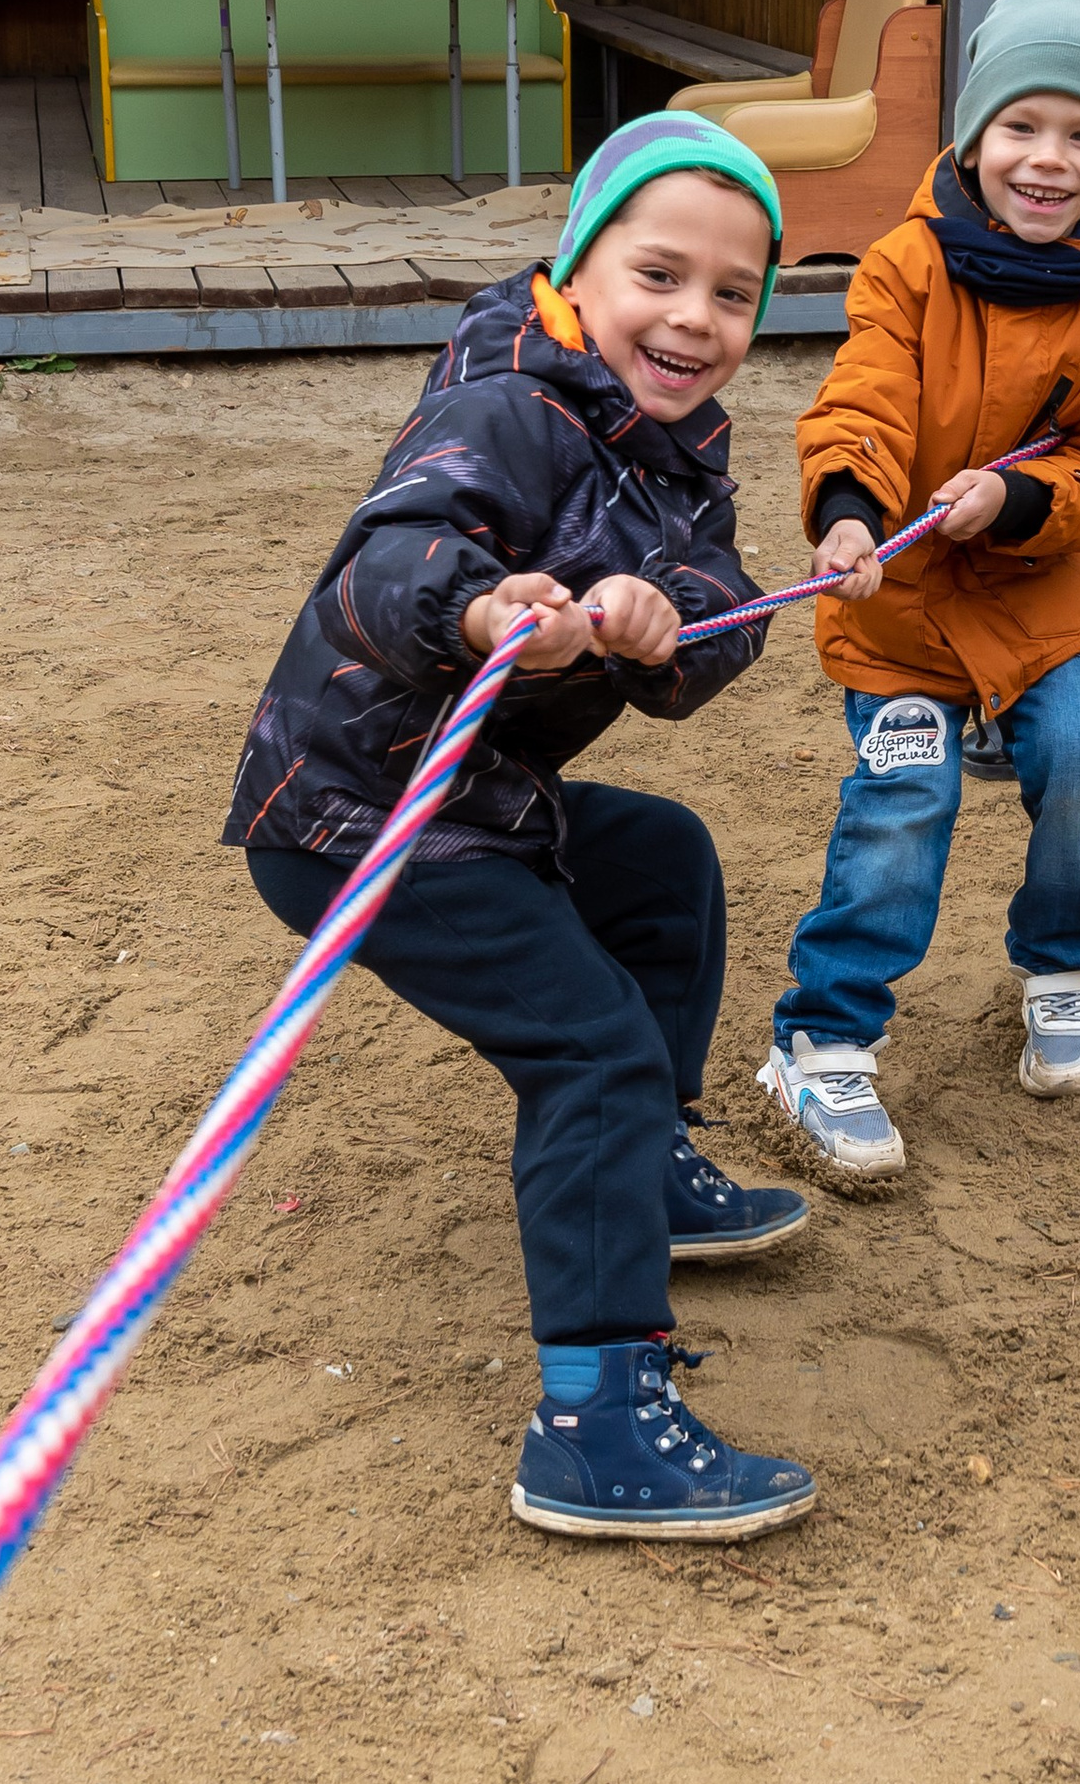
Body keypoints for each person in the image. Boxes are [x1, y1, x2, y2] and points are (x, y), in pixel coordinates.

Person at [223, 113, 816, 1543]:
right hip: (361, 814)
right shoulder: (500, 405)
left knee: (664, 861)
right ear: (576, 268)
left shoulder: (670, 441)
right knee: (587, 1038)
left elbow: (716, 613)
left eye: (734, 293)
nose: (694, 317)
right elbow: (394, 557)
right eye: (658, 274)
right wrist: (489, 610)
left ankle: (649, 1170)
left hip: (492, 802)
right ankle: (595, 1421)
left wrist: (662, 630)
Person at [756, 0, 1080, 1184]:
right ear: (975, 135)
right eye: (1021, 128)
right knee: (905, 802)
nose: (1047, 160)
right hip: (897, 601)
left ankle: (1063, 970)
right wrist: (848, 512)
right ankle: (822, 1038)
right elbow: (865, 399)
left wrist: (1023, 502)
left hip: (1041, 598)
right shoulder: (903, 263)